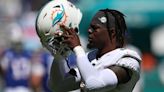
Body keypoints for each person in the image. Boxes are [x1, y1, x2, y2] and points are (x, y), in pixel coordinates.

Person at [38, 9, 142, 92]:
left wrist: (77, 48)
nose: (89, 31)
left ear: (112, 33)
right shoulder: (91, 57)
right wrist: (59, 56)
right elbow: (57, 86)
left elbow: (93, 84)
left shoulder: (127, 59)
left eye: (95, 28)